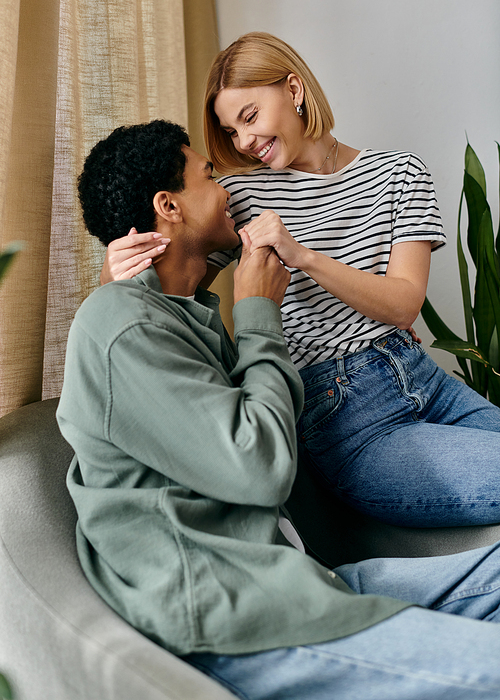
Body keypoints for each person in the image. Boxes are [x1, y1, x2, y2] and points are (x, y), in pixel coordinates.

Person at [57, 118, 500, 699]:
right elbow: (260, 469)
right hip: (243, 620)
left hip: (300, 586)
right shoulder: (120, 325)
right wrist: (260, 314)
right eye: (209, 174)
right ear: (169, 205)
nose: (228, 188)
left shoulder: (180, 317)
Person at [101, 32, 500, 529]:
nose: (243, 142)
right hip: (346, 417)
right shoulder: (238, 197)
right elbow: (172, 277)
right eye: (231, 132)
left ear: (293, 89)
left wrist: (303, 255)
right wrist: (114, 274)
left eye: (249, 118)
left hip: (423, 376)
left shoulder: (399, 172)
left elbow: (402, 305)